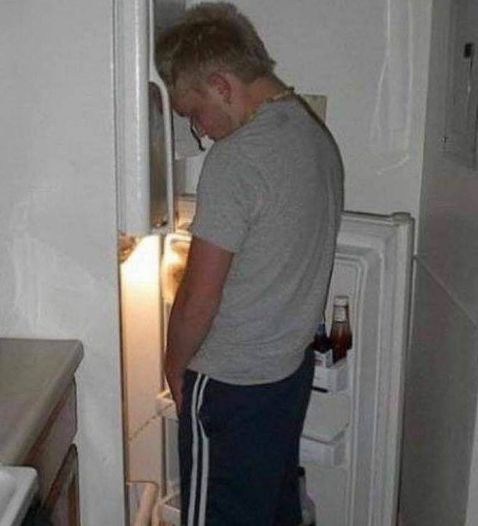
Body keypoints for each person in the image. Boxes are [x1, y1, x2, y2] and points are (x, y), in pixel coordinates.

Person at [156, 3, 343, 525]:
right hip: (287, 373)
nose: (201, 131)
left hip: (230, 384)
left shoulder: (237, 159)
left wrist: (174, 367)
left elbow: (199, 296)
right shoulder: (314, 136)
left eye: (194, 113)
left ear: (221, 85)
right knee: (272, 507)